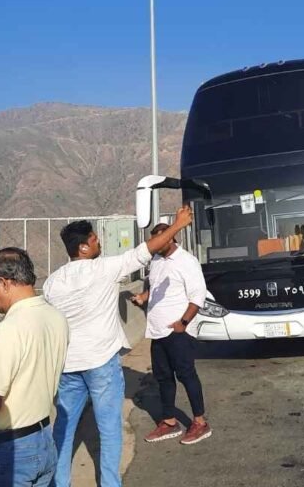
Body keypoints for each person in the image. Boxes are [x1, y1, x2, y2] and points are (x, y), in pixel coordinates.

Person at [44, 206, 194, 487]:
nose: (99, 242)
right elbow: (145, 251)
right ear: (84, 247)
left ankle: (59, 483)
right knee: (109, 428)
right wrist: (177, 226)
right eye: (94, 239)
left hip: (68, 367)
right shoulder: (104, 269)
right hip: (101, 363)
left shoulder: (53, 282)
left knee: (63, 429)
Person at [0, 248, 70, 487]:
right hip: (43, 439)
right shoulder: (56, 318)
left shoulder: (8, 331)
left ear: (4, 283)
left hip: (8, 451)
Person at [130, 223, 212, 446]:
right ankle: (168, 422)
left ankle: (200, 422)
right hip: (157, 332)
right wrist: (143, 297)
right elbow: (155, 286)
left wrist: (183, 323)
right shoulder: (156, 260)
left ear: (171, 238)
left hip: (178, 331)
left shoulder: (187, 261)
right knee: (163, 377)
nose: (156, 246)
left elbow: (198, 296)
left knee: (186, 375)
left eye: (160, 240)